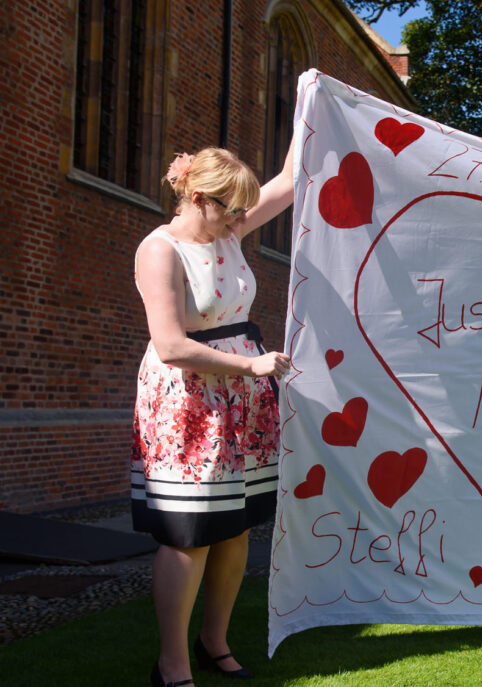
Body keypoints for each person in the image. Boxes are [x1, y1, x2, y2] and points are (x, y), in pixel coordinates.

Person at [133, 148, 292, 686]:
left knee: (234, 528)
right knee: (188, 533)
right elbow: (172, 345)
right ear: (197, 196)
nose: (236, 220)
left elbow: (291, 180)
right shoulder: (160, 250)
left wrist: (309, 96)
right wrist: (251, 364)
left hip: (240, 399)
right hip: (188, 404)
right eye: (228, 209)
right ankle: (172, 664)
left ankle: (214, 643)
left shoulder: (226, 232)